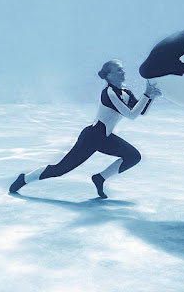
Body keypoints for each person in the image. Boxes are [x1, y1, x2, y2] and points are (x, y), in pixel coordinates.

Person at [9, 59, 161, 199]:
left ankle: (100, 178)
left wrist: (151, 96)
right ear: (108, 75)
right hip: (91, 137)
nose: (124, 72)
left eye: (123, 69)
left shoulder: (126, 92)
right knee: (59, 170)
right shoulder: (109, 92)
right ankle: (24, 178)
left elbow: (141, 111)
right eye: (119, 70)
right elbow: (131, 115)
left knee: (134, 156)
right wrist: (147, 94)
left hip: (104, 137)